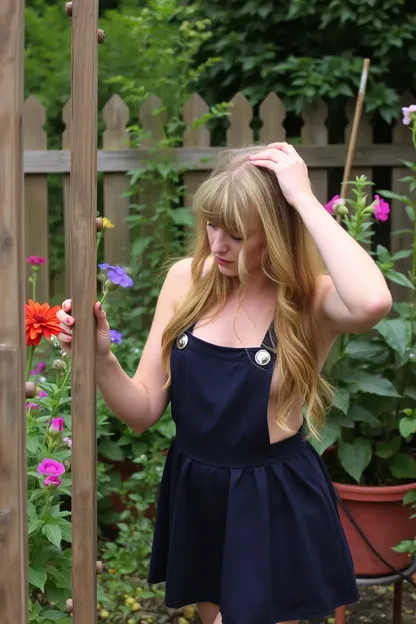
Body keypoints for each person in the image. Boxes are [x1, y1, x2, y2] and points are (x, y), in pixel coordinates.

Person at [57, 143, 392, 624]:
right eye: (212, 225)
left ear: (275, 233)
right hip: (200, 492)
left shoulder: (307, 299)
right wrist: (102, 358)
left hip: (271, 500)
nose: (217, 245)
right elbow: (143, 409)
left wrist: (301, 199)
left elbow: (373, 303)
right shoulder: (185, 281)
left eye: (236, 234)